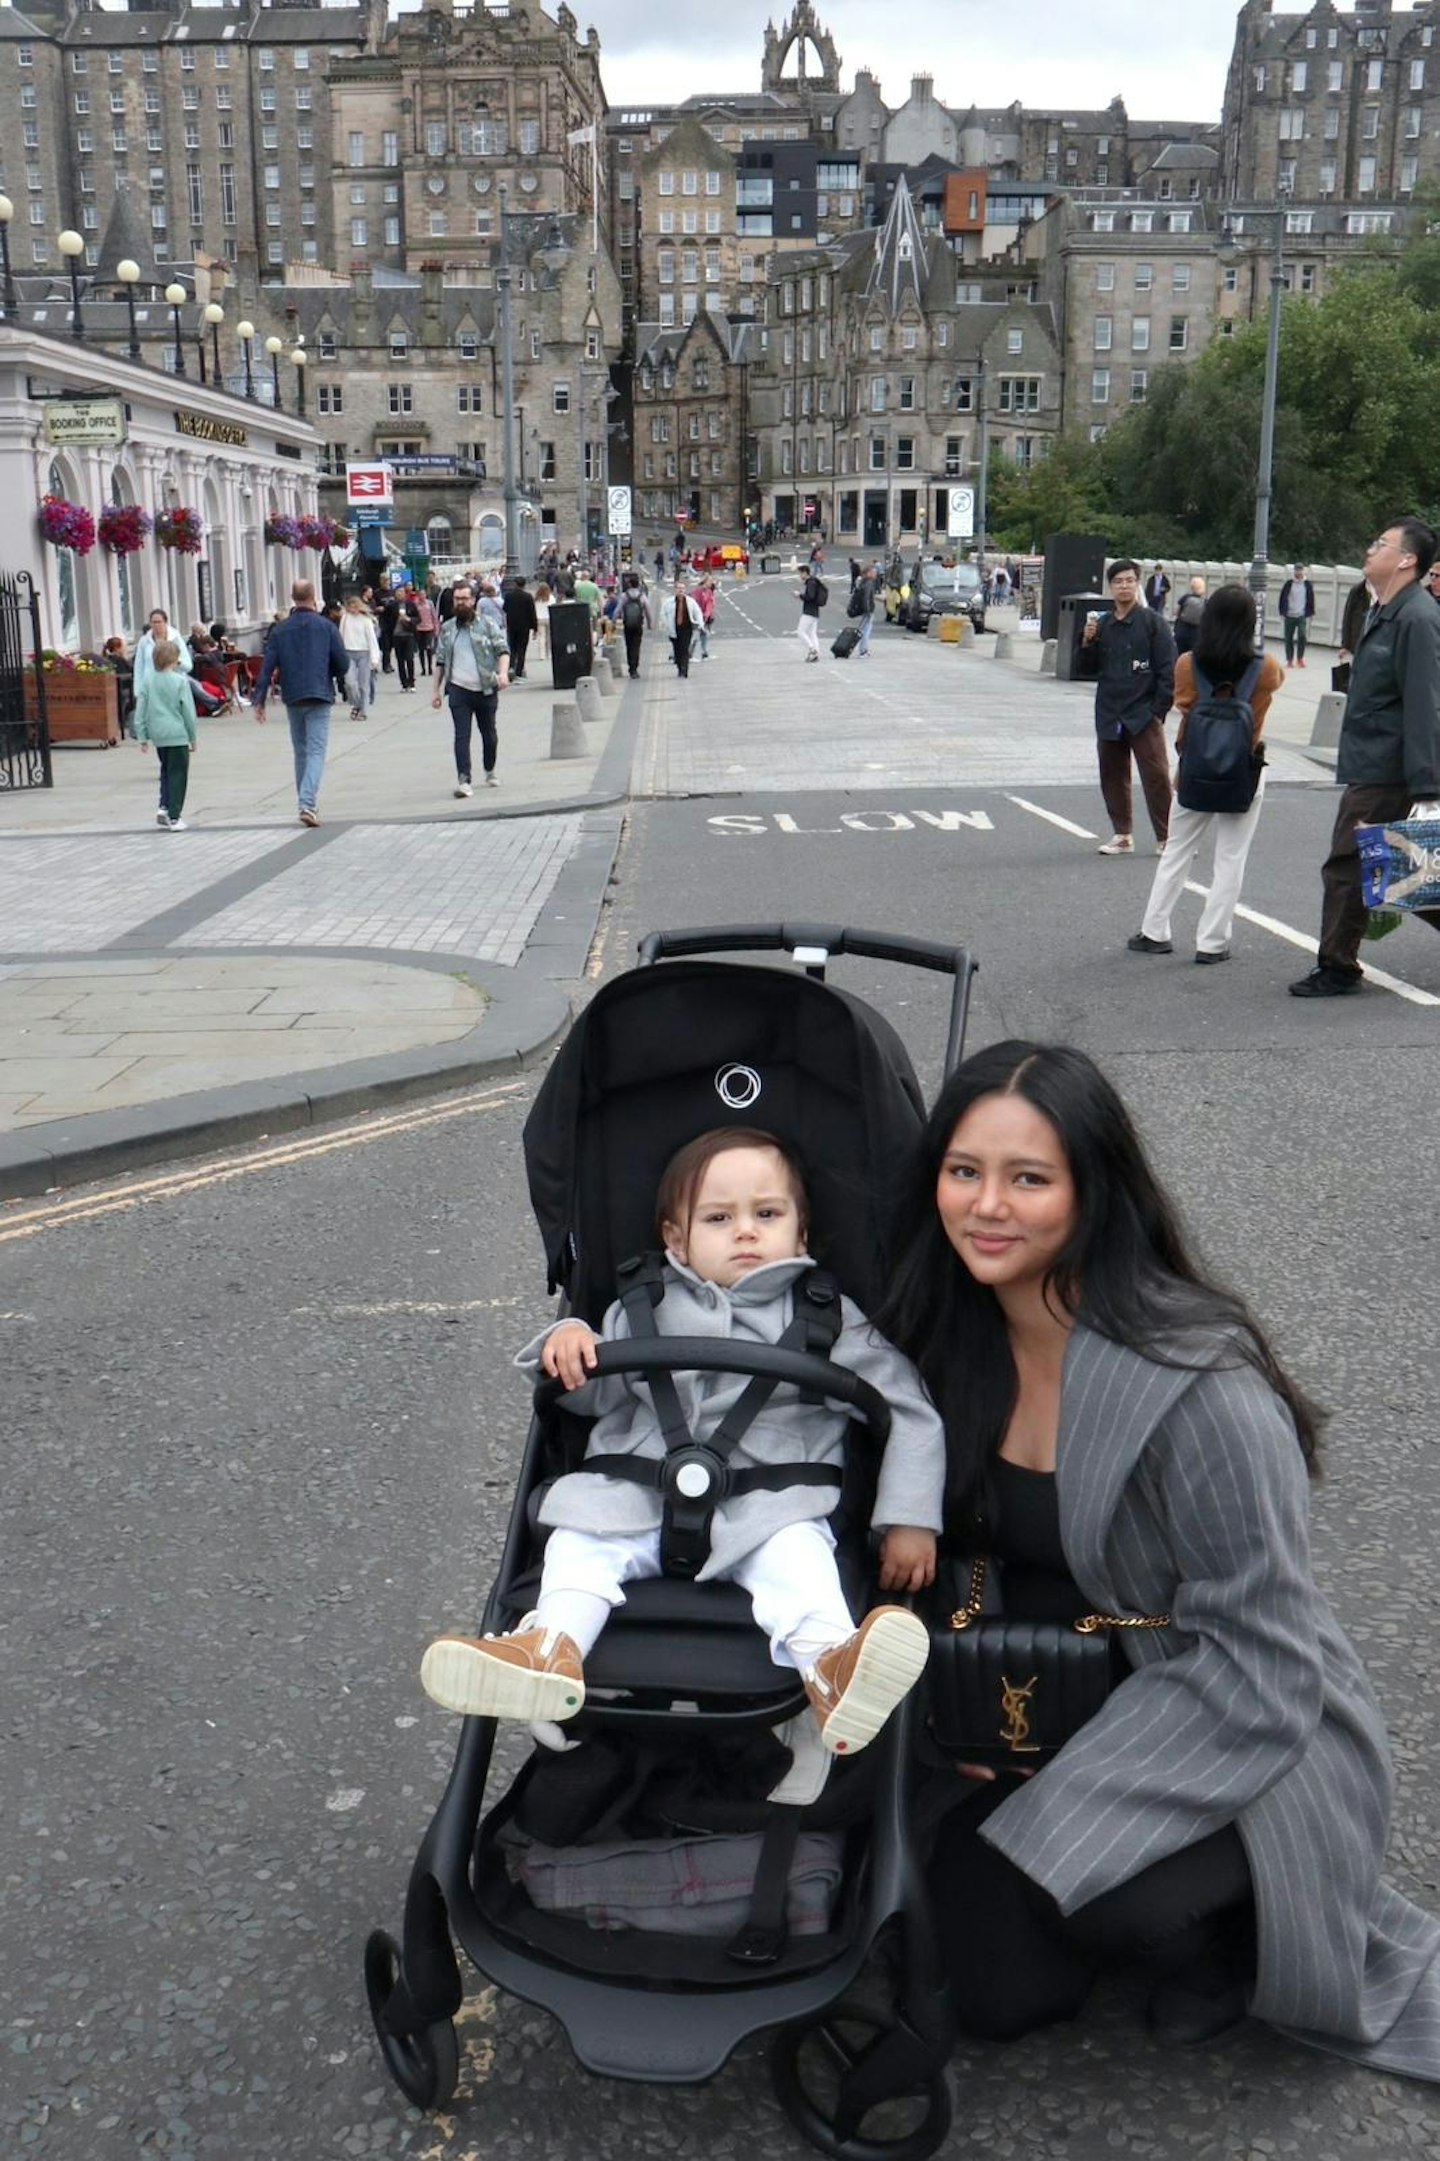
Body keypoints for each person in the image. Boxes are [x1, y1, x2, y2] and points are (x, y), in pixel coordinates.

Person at [882, 1039, 1440, 2073]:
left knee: (1066, 1916)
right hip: (1038, 1685)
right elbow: (954, 1553)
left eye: (1029, 1178)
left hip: (1228, 1712)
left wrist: (1074, 1782)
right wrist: (968, 1702)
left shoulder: (1203, 1387)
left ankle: (1231, 1932)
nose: (987, 1206)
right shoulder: (939, 1338)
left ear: (1095, 1193)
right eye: (965, 1171)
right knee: (982, 1984)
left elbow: (1264, 1662)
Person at [420, 1127, 940, 1761]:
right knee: (579, 1548)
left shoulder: (828, 1317)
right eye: (719, 1217)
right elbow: (590, 1402)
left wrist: (909, 1520)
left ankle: (833, 1665)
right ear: (676, 1239)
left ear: (801, 1232)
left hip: (767, 1505)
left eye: (768, 1214)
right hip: (633, 1494)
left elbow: (909, 1410)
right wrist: (570, 1345)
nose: (746, 1231)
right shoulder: (643, 1304)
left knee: (798, 1564)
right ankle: (549, 1651)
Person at [1291, 515, 1440, 997]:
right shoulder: (1385, 608)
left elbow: (1425, 703)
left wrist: (1428, 787)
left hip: (1389, 769)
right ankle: (1338, 961)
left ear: (1407, 559)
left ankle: (1337, 965)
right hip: (1377, 762)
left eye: (1381, 544)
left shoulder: (1417, 617)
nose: (1370, 549)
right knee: (1411, 871)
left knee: (1350, 864)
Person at [1127, 585, 1283, 965]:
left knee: (1178, 848)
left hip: (1195, 771)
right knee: (1231, 857)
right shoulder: (1266, 669)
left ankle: (1155, 930)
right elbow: (1277, 685)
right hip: (1244, 773)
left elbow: (1183, 703)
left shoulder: (1187, 664)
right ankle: (1212, 942)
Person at [1076, 558, 1175, 855]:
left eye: (1130, 580)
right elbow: (1085, 667)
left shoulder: (1152, 622)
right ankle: (1122, 834)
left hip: (1143, 713)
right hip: (1109, 711)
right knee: (1112, 775)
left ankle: (1167, 837)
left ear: (1137, 584)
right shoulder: (1102, 624)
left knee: (1156, 776)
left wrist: (1158, 711)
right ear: (1110, 586)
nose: (1124, 586)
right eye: (1118, 581)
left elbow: (1167, 671)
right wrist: (1087, 641)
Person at [253, 578, 351, 829]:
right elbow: (343, 662)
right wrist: (331, 672)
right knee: (317, 751)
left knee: (301, 750)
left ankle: (306, 802)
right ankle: (307, 803)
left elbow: (267, 667)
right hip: (319, 693)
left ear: (292, 597)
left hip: (293, 695)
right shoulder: (326, 626)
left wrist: (260, 699)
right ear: (313, 596)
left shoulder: (280, 629)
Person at [433, 580, 509, 795]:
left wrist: (502, 674)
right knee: (461, 735)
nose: (461, 603)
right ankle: (464, 780)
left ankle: (489, 768)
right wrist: (435, 692)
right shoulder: (447, 629)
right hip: (458, 689)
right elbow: (440, 662)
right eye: (457, 599)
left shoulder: (487, 624)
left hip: (485, 688)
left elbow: (502, 651)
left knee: (489, 734)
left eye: (465, 599)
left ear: (473, 600)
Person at [133, 637, 199, 831]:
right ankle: (175, 816)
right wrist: (192, 736)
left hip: (158, 733)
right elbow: (187, 710)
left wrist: (142, 735)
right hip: (177, 733)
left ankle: (163, 806)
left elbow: (141, 709)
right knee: (178, 773)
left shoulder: (148, 680)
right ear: (173, 659)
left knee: (165, 770)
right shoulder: (179, 681)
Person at [340, 596, 381, 722]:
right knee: (350, 682)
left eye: (355, 607)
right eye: (350, 607)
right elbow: (340, 635)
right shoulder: (345, 618)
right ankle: (356, 704)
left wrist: (375, 658)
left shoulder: (366, 620)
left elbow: (372, 640)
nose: (352, 610)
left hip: (364, 653)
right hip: (348, 652)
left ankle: (363, 709)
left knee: (363, 684)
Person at [1277, 564, 1315, 668]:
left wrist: (1311, 612)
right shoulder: (1289, 584)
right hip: (1289, 615)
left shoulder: (1307, 584)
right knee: (1288, 638)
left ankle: (1300, 658)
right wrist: (1282, 612)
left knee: (1302, 636)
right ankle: (1289, 660)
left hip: (1301, 615)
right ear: (1294, 572)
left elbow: (1311, 598)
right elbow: (1282, 598)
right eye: (1297, 570)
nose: (1299, 572)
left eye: (1300, 570)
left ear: (1304, 571)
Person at [503, 575, 538, 682]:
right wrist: (535, 628)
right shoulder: (528, 596)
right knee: (522, 649)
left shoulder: (508, 596)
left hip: (511, 625)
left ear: (515, 584)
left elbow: (505, 609)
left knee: (512, 648)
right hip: (524, 626)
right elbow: (532, 612)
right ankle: (519, 672)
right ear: (524, 585)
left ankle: (511, 667)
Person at [661, 579, 697, 678]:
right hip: (674, 628)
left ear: (685, 589)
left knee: (685, 649)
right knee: (677, 650)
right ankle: (679, 667)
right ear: (675, 590)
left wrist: (699, 623)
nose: (681, 590)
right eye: (679, 588)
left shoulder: (690, 601)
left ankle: (684, 670)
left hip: (686, 629)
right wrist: (667, 624)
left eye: (682, 588)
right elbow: (663, 614)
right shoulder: (669, 602)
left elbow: (697, 612)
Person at [101, 635, 135, 737]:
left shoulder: (106, 659)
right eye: (123, 646)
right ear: (117, 648)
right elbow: (130, 672)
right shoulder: (119, 660)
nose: (125, 648)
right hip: (121, 689)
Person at [618, 575, 651, 679]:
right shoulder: (642, 596)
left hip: (627, 624)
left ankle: (630, 667)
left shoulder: (624, 596)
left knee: (629, 645)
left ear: (629, 584)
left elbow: (618, 609)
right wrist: (649, 623)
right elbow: (648, 610)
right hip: (638, 625)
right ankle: (635, 668)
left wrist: (614, 620)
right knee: (636, 646)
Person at [796, 561, 826, 663]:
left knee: (800, 632)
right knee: (812, 633)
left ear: (805, 573)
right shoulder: (814, 581)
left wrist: (799, 595)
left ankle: (812, 650)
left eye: (800, 573)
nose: (800, 576)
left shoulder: (811, 583)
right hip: (815, 611)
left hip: (809, 611)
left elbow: (810, 596)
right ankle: (816, 653)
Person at [391, 587, 419, 691]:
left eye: (402, 592)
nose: (400, 594)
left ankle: (412, 682)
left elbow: (418, 618)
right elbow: (387, 619)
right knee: (400, 660)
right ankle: (404, 683)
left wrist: (409, 619)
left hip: (408, 634)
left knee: (409, 659)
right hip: (397, 635)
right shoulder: (392, 606)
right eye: (398, 592)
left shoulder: (410, 605)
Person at [1172, 575, 1207, 657]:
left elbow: (1177, 612)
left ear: (1192, 587)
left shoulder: (1185, 598)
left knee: (1179, 654)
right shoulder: (1205, 602)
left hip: (1182, 631)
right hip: (1196, 633)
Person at [413, 587, 439, 677]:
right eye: (420, 594)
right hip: (419, 629)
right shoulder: (416, 604)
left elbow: (434, 615)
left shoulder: (430, 603)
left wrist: (436, 628)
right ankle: (423, 669)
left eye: (423, 594)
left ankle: (430, 667)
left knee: (429, 648)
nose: (422, 596)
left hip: (429, 628)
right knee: (421, 650)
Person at [854, 564, 878, 659]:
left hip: (866, 610)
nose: (875, 574)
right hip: (868, 610)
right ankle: (863, 650)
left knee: (863, 630)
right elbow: (866, 598)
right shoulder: (869, 583)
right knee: (865, 631)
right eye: (874, 572)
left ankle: (864, 650)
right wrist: (868, 610)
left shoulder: (864, 582)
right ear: (868, 573)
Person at [377, 586, 400, 675]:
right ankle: (385, 665)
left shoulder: (391, 592)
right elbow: (377, 605)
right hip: (384, 623)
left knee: (390, 646)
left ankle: (389, 663)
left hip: (392, 624)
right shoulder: (378, 593)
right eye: (385, 581)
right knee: (385, 646)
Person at [533, 580, 553, 662]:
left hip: (539, 619)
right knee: (549, 637)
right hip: (549, 618)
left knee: (542, 637)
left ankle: (542, 655)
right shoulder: (551, 597)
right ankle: (549, 654)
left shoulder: (536, 599)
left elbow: (534, 609)